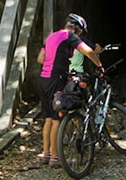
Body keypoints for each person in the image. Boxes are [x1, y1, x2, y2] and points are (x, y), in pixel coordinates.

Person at [38, 13, 102, 164]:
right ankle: (55, 157)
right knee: (57, 119)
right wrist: (99, 66)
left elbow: (40, 59)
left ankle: (46, 154)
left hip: (43, 79)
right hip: (56, 79)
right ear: (77, 29)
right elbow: (88, 51)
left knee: (48, 118)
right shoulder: (70, 36)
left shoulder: (51, 36)